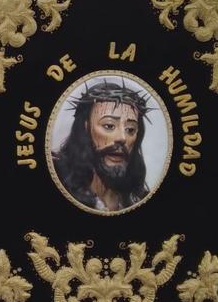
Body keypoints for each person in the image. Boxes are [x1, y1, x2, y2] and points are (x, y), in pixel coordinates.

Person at [51, 82, 151, 212]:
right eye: (109, 126)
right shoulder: (57, 181)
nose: (122, 137)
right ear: (85, 128)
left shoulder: (139, 199)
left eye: (130, 129)